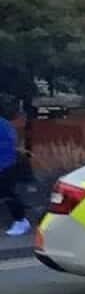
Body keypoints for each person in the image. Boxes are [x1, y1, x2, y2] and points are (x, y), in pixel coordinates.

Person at [0, 98, 30, 237]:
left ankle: (21, 221)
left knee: (8, 194)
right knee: (8, 194)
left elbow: (7, 147)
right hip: (8, 165)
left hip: (4, 166)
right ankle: (20, 220)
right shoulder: (5, 124)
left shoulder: (2, 125)